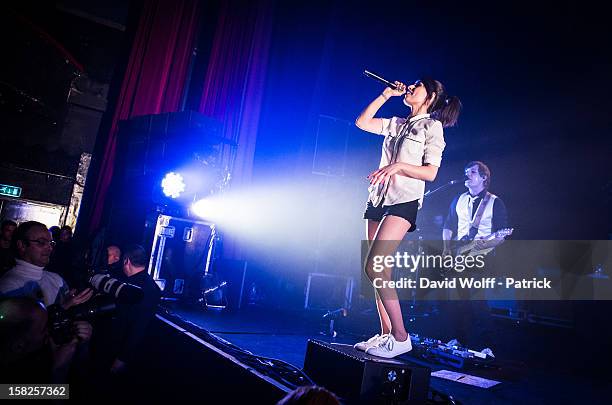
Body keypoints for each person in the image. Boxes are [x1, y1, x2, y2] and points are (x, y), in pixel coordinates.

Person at [354, 78, 461, 358]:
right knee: (377, 272)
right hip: (378, 198)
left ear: (431, 95)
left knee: (375, 267)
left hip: (404, 200)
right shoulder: (397, 123)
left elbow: (430, 173)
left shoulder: (432, 126)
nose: (410, 88)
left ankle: (401, 336)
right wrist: (386, 94)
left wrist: (398, 166)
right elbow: (362, 123)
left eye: (417, 86)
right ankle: (386, 334)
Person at [441, 161, 509, 345]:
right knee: (456, 301)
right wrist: (447, 249)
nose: (467, 175)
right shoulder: (459, 199)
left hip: (481, 256)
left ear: (484, 177)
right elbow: (448, 225)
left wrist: (485, 245)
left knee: (476, 300)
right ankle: (458, 340)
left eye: (472, 172)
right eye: (466, 172)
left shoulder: (495, 202)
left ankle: (487, 346)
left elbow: (502, 234)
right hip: (458, 255)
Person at [95, 244, 160, 375]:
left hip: (119, 350)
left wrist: (122, 358)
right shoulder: (150, 286)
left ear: (127, 261)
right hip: (116, 346)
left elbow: (139, 328)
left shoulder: (137, 288)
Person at [0, 296, 92, 383]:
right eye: (44, 328)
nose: (50, 331)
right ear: (18, 346)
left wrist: (82, 345)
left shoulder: (37, 350)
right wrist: (59, 370)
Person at [0, 221, 92, 308]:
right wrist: (63, 308)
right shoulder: (8, 286)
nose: (49, 248)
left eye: (51, 243)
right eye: (41, 242)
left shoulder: (57, 280)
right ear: (22, 245)